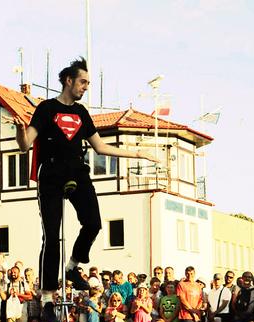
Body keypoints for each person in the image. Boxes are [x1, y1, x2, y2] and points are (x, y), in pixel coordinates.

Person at [11, 57, 158, 294]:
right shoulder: (46, 108)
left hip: (77, 172)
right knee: (51, 236)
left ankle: (72, 266)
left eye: (88, 83)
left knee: (93, 223)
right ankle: (48, 295)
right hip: (50, 173)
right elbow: (24, 144)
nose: (86, 87)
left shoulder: (81, 112)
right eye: (83, 82)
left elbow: (100, 147)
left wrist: (139, 153)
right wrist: (20, 131)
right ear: (69, 81)